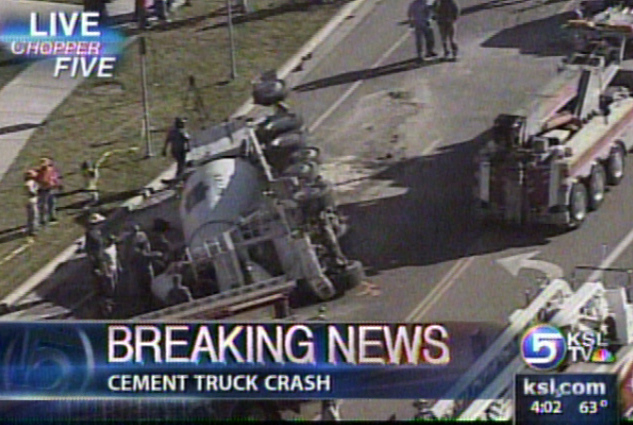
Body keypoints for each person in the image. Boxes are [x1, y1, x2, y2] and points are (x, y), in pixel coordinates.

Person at [36, 158, 62, 226]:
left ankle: (52, 217)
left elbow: (55, 178)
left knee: (52, 203)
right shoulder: (39, 172)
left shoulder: (52, 170)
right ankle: (42, 219)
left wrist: (57, 184)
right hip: (43, 190)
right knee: (43, 205)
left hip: (51, 189)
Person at [24, 169, 39, 237]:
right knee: (33, 215)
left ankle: (31, 228)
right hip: (31, 201)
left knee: (32, 216)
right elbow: (31, 192)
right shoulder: (29, 183)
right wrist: (36, 192)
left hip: (31, 201)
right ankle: (33, 230)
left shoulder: (32, 182)